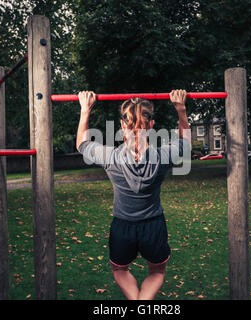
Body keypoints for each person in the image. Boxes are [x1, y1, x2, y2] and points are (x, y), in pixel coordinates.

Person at [76, 90, 191, 300]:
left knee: (119, 270)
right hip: (153, 226)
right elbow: (185, 142)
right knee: (156, 272)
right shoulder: (163, 157)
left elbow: (82, 145)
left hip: (122, 227)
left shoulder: (111, 157)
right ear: (152, 125)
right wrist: (180, 109)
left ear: (122, 126)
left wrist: (85, 110)